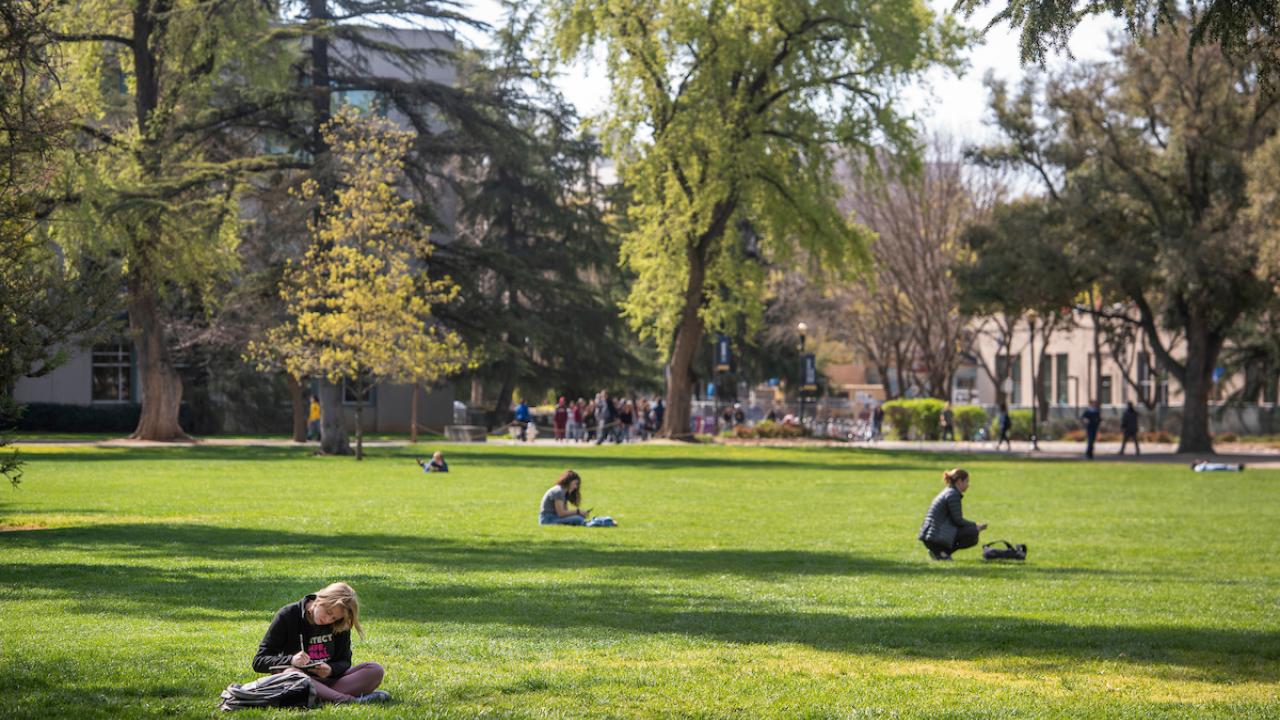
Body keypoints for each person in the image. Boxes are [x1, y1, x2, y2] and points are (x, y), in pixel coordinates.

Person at [252, 582, 389, 704]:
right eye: (328, 612)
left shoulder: (339, 624)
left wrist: (330, 670)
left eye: (334, 617)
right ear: (320, 598)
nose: (328, 619)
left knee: (375, 670)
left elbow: (344, 661)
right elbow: (259, 661)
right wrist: (291, 660)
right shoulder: (288, 615)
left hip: (330, 682)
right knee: (292, 674)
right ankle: (345, 700)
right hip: (297, 680)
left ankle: (322, 696)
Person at [918, 468, 988, 561]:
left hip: (930, 536)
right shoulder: (953, 495)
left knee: (971, 530)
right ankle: (942, 553)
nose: (968, 485)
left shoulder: (948, 492)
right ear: (959, 481)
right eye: (966, 481)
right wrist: (975, 526)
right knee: (972, 533)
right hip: (935, 537)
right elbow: (958, 520)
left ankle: (940, 553)